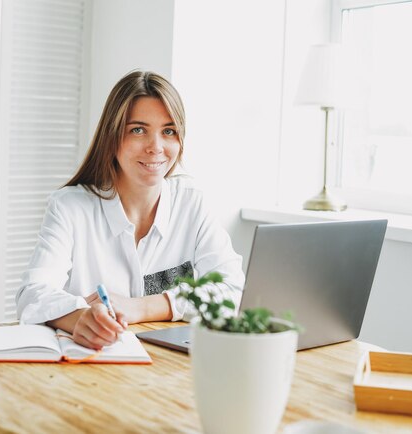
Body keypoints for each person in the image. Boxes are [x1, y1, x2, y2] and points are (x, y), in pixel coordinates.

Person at [16, 70, 245, 349]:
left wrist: (143, 307)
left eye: (169, 131)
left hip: (167, 367)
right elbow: (33, 293)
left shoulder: (192, 203)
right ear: (112, 138)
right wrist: (80, 318)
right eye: (138, 130)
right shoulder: (69, 207)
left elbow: (232, 291)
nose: (156, 147)